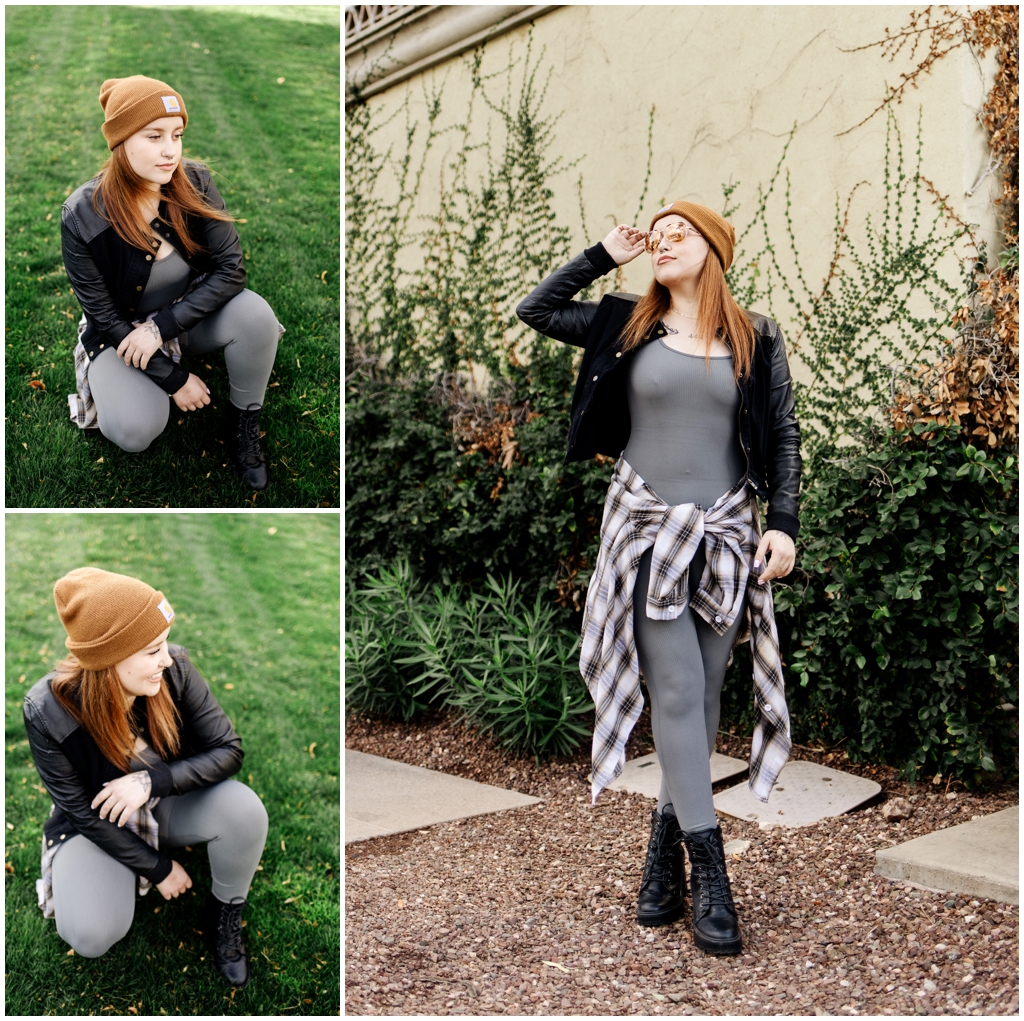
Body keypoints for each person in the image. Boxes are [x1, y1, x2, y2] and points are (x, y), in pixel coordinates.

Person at [516, 201, 800, 955]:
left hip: (728, 533)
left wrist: (785, 523)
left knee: (704, 699)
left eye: (681, 233)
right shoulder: (624, 323)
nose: (664, 242)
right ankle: (711, 876)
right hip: (646, 529)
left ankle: (659, 859)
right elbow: (535, 309)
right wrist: (602, 253)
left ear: (714, 249)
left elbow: (784, 434)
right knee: (674, 690)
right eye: (657, 234)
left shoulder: (756, 336)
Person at [22, 567, 269, 987]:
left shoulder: (177, 671)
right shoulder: (46, 711)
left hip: (168, 800)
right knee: (91, 935)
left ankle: (224, 912)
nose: (167, 659)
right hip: (101, 821)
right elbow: (81, 812)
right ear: (110, 659)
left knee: (244, 811)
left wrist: (147, 783)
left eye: (164, 645)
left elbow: (229, 750)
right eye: (153, 650)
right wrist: (158, 868)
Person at [61, 75, 282, 490]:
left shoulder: (194, 181)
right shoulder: (81, 215)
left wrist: (161, 329)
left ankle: (244, 423)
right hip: (119, 335)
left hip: (184, 312)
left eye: (177, 135)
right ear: (121, 141)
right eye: (154, 136)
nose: (170, 151)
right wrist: (174, 379)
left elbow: (230, 268)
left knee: (255, 316)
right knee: (134, 431)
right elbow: (104, 317)